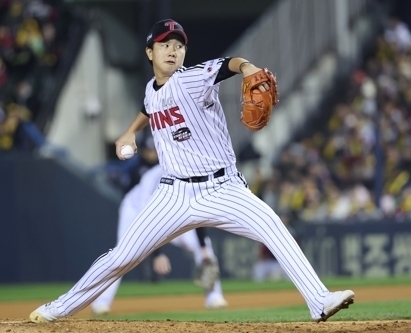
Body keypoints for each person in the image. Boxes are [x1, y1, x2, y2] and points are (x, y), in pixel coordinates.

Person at [29, 18, 354, 323]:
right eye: (164, 44)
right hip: (174, 195)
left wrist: (248, 68)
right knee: (121, 257)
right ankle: (58, 309)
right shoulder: (150, 89)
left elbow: (229, 64)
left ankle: (319, 300)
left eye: (178, 45)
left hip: (222, 189)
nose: (172, 50)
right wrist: (129, 131)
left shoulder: (192, 78)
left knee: (271, 224)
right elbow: (149, 106)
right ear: (149, 52)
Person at [91, 164, 228, 316]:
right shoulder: (152, 178)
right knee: (123, 254)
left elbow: (198, 215)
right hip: (135, 212)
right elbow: (148, 220)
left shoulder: (193, 174)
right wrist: (157, 254)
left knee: (205, 247)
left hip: (174, 215)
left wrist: (203, 249)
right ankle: (101, 302)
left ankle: (214, 296)